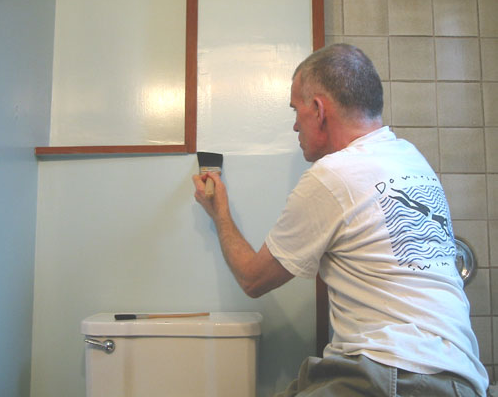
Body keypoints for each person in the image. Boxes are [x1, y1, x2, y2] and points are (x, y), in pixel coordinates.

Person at [192, 43, 489, 396]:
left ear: (318, 110)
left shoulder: (333, 175)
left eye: (296, 110)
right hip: (460, 377)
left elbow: (253, 279)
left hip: (396, 372)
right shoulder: (410, 158)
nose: (294, 125)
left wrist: (220, 213)